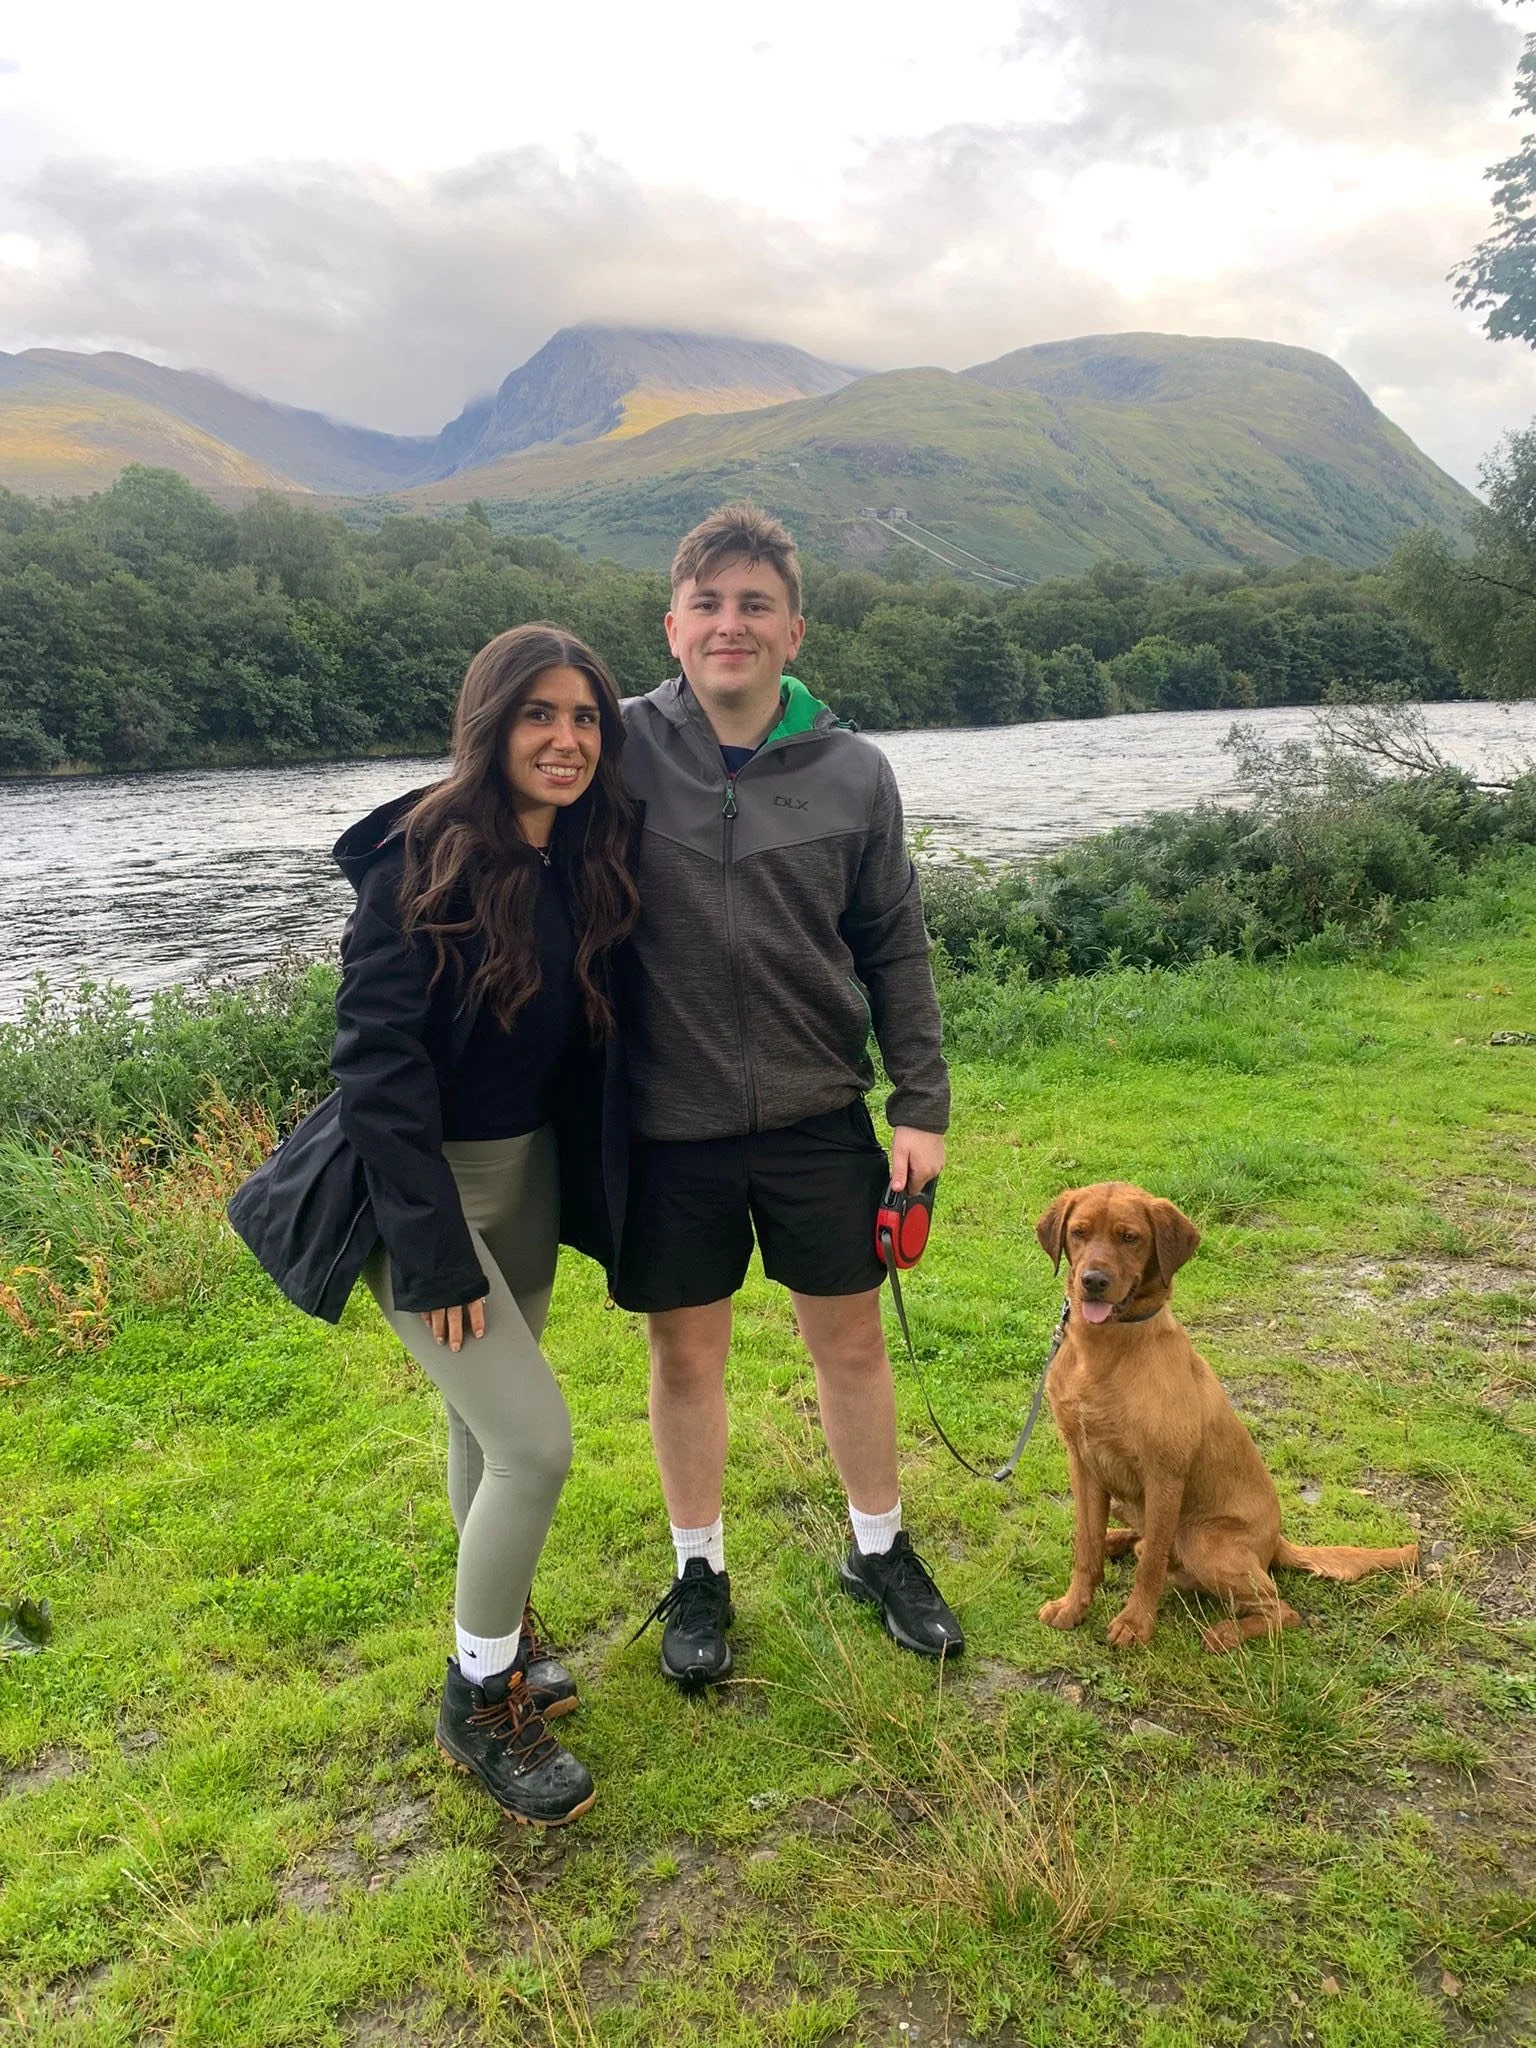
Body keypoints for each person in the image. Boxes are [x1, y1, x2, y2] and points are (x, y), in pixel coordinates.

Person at [615, 503, 962, 1687]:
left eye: (754, 603)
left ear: (793, 629)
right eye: (708, 603)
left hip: (822, 1112)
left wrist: (922, 1102)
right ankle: (698, 1570)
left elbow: (896, 947)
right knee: (684, 1355)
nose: (731, 624)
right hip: (668, 1125)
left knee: (851, 1343)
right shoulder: (610, 750)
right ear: (672, 624)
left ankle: (878, 1549)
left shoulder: (856, 771)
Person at [332, 623, 638, 1822]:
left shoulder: (582, 855)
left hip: (529, 1179)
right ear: (491, 724)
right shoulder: (421, 858)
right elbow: (375, 1064)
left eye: (585, 718)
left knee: (479, 1422)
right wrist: (429, 1242)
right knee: (536, 1443)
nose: (565, 739)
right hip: (432, 1198)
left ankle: (495, 1638)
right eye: (538, 715)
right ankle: (477, 1698)